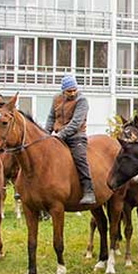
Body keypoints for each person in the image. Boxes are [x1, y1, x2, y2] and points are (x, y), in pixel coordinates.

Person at [45, 74, 95, 205]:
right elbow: (51, 117)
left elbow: (76, 122)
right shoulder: (56, 99)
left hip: (76, 137)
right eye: (69, 91)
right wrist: (46, 135)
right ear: (63, 90)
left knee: (80, 158)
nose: (72, 93)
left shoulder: (82, 100)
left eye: (74, 90)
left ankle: (88, 190)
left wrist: (60, 135)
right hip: (57, 136)